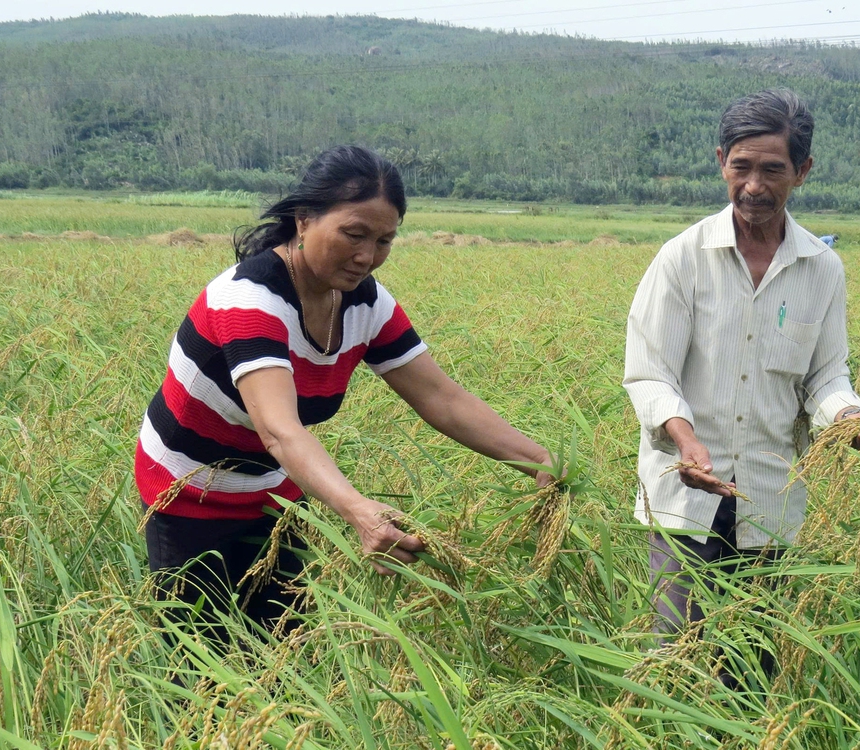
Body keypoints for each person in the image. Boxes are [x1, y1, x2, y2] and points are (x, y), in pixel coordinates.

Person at [135, 145, 553, 635]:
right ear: (304, 220)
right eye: (354, 234)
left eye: (384, 240)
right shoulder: (248, 300)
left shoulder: (366, 303)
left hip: (275, 492)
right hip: (185, 494)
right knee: (202, 666)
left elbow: (441, 397)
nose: (366, 257)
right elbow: (280, 430)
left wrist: (539, 460)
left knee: (285, 650)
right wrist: (360, 512)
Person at [622, 89, 860, 643]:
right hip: (685, 499)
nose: (754, 185)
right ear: (720, 161)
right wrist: (685, 440)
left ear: (802, 171)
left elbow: (825, 377)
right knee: (678, 656)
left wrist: (852, 418)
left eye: (773, 169)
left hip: (770, 499)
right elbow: (650, 371)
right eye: (741, 166)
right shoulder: (683, 257)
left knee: (755, 663)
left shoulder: (822, 268)